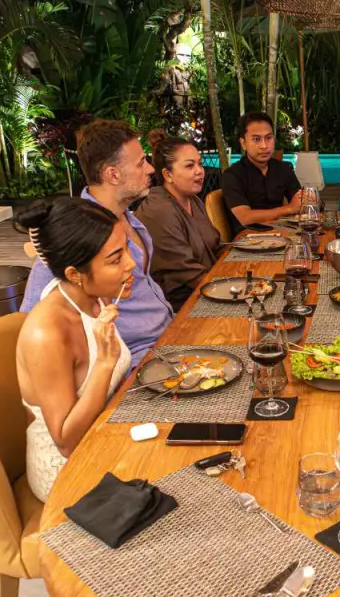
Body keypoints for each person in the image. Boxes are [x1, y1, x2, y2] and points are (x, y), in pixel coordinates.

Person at [20, 119, 173, 369]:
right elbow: (29, 322)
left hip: (170, 334)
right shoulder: (76, 234)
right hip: (135, 362)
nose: (149, 169)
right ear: (112, 174)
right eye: (140, 163)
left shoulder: (131, 220)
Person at [16, 197, 135, 502]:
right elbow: (67, 442)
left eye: (126, 250)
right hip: (68, 473)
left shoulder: (95, 297)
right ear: (74, 274)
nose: (131, 263)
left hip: (107, 436)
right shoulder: (47, 332)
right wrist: (105, 362)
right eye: (115, 259)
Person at [136, 130, 223, 311]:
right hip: (182, 304)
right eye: (190, 166)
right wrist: (231, 286)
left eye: (200, 164)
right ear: (168, 175)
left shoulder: (193, 200)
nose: (200, 171)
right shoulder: (158, 210)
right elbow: (187, 273)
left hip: (209, 286)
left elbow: (215, 246)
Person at [220, 111, 305, 236]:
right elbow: (245, 217)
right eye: (256, 139)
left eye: (268, 138)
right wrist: (288, 209)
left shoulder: (283, 169)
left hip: (283, 233)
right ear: (243, 143)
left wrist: (310, 200)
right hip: (248, 238)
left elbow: (300, 201)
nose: (264, 146)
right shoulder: (232, 175)